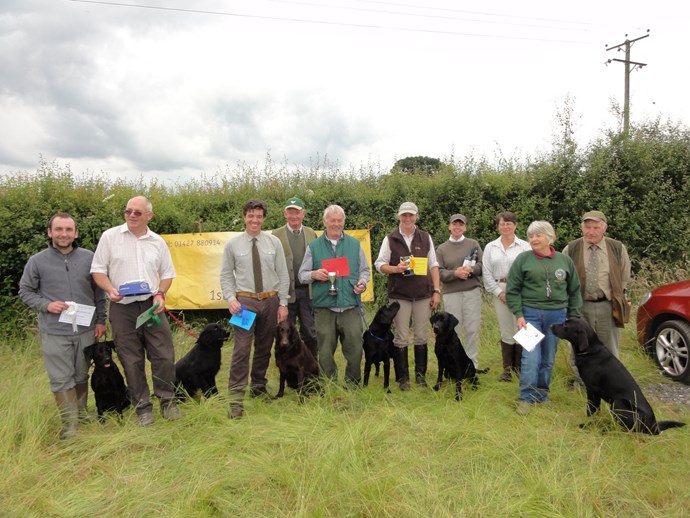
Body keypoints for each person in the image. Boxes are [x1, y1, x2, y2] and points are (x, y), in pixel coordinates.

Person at [91, 196, 181, 427]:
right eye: (128, 211)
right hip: (122, 309)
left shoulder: (157, 242)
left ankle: (167, 401)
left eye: (137, 212)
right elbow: (98, 271)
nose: (131, 215)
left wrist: (160, 293)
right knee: (131, 360)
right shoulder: (110, 237)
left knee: (164, 356)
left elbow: (168, 273)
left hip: (151, 307)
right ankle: (142, 407)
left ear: (149, 216)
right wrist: (110, 289)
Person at [19, 213, 107, 440]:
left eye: (69, 229)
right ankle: (70, 425)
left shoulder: (89, 258)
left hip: (86, 331)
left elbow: (99, 293)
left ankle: (82, 415)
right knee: (61, 379)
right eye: (58, 229)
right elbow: (25, 291)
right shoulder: (37, 261)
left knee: (81, 375)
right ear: (50, 232)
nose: (64, 234)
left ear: (76, 233)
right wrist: (46, 305)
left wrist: (100, 320)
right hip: (54, 332)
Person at [220, 199, 290, 419]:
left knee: (264, 347)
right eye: (251, 215)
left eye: (259, 216)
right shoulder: (233, 245)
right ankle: (235, 400)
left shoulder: (274, 243)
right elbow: (225, 275)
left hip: (270, 302)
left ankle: (258, 387)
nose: (255, 220)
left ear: (264, 219)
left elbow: (283, 274)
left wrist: (283, 303)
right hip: (245, 303)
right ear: (244, 217)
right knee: (241, 350)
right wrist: (231, 299)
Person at [506, 221, 582, 414]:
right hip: (530, 315)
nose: (533, 239)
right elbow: (512, 289)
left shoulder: (564, 261)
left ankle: (541, 395)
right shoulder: (523, 259)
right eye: (530, 236)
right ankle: (525, 398)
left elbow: (574, 290)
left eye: (538, 235)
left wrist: (573, 316)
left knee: (548, 357)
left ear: (550, 237)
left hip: (557, 315)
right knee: (531, 357)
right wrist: (518, 314)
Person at [298, 205, 370, 386]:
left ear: (344, 222)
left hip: (350, 306)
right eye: (332, 220)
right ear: (325, 222)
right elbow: (302, 275)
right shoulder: (313, 246)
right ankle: (329, 384)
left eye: (339, 220)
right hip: (324, 308)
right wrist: (314, 274)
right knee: (324, 351)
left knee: (355, 348)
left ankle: (353, 383)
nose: (336, 224)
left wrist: (362, 283)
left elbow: (365, 270)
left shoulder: (354, 244)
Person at [375, 201, 441, 390]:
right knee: (401, 336)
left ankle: (420, 377)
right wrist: (395, 268)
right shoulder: (390, 238)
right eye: (404, 215)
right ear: (399, 217)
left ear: (416, 217)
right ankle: (403, 378)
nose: (407, 218)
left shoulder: (425, 237)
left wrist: (436, 291)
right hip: (399, 295)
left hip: (423, 294)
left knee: (421, 335)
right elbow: (379, 265)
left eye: (411, 215)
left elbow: (433, 265)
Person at [562, 210, 631, 380]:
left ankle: (612, 382)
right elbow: (562, 278)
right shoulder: (571, 248)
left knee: (610, 348)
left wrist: (620, 298)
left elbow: (624, 276)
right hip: (580, 306)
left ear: (604, 228)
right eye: (587, 227)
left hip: (608, 306)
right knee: (579, 346)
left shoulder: (617, 248)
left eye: (596, 227)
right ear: (581, 228)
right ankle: (581, 382)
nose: (591, 231)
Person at [482, 212, 531, 382]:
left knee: (522, 327)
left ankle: (521, 368)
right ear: (497, 227)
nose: (505, 227)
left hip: (521, 290)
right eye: (502, 224)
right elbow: (486, 273)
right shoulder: (491, 247)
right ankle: (507, 370)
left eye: (509, 223)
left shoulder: (525, 246)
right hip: (499, 289)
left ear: (515, 225)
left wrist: (518, 291)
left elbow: (530, 270)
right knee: (506, 329)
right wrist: (499, 292)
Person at [272, 196, 318, 360]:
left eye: (297, 212)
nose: (294, 216)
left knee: (310, 331)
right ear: (285, 214)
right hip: (285, 293)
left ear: (303, 214)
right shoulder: (275, 235)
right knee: (285, 332)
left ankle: (311, 365)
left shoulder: (311, 233)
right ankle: (286, 365)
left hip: (307, 291)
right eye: (290, 212)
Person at [436, 214, 483, 370]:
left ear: (465, 227)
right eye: (454, 224)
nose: (457, 227)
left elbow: (482, 265)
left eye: (460, 224)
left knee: (472, 329)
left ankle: (471, 366)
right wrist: (455, 273)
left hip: (472, 291)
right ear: (449, 227)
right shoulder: (442, 248)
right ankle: (456, 365)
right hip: (451, 293)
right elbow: (439, 272)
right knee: (453, 330)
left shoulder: (473, 244)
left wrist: (471, 270)